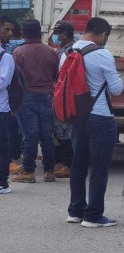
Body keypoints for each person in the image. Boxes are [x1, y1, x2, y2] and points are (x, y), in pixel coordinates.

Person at [66, 18, 124, 228]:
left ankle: (75, 211)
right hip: (100, 118)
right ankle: (93, 216)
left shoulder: (67, 52)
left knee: (78, 164)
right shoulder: (102, 54)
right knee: (99, 167)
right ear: (104, 34)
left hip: (76, 116)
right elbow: (116, 89)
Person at [11, 19, 59, 184]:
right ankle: (50, 171)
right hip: (47, 97)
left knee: (30, 135)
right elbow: (55, 76)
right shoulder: (52, 52)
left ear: (23, 34)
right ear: (40, 33)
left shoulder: (18, 52)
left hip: (26, 97)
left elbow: (14, 78)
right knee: (46, 135)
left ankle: (29, 171)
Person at [52, 20, 76, 179]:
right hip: (62, 95)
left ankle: (68, 164)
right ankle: (62, 162)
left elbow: (62, 75)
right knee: (59, 130)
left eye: (57, 33)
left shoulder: (69, 51)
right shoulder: (64, 50)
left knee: (65, 130)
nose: (55, 36)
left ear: (64, 34)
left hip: (65, 96)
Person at [0, 17, 22, 175]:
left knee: (3, 142)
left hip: (3, 106)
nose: (9, 33)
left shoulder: (7, 55)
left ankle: (3, 179)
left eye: (11, 30)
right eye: (6, 29)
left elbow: (4, 82)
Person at [0, 35, 15, 194]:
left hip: (1, 110)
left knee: (2, 147)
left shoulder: (6, 57)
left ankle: (2, 182)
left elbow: (3, 82)